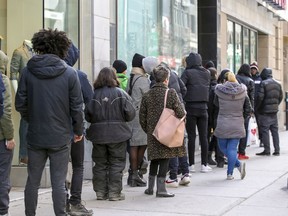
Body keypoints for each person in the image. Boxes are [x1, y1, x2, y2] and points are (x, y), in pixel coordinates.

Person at [15, 29, 84, 216]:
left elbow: (20, 104)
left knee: (33, 181)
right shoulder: (70, 74)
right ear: (62, 49)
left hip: (36, 135)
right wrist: (78, 130)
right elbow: (77, 107)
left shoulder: (28, 71)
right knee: (58, 183)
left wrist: (33, 119)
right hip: (61, 136)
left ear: (38, 47)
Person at [85, 67, 135, 201]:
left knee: (100, 164)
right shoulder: (121, 93)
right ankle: (114, 193)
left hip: (98, 135)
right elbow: (130, 114)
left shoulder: (93, 95)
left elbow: (88, 116)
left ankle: (100, 192)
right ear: (114, 77)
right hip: (118, 134)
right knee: (117, 163)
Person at [139, 65, 186, 197]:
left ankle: (150, 188)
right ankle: (161, 189)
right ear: (166, 79)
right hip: (167, 132)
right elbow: (180, 112)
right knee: (165, 159)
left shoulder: (147, 95)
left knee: (154, 159)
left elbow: (141, 116)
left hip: (152, 132)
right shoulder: (170, 93)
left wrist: (148, 130)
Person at [64, 43, 93, 215]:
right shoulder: (78, 75)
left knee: (58, 167)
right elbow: (89, 100)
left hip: (55, 127)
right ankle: (75, 202)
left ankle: (61, 201)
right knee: (78, 165)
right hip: (74, 128)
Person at [214, 71, 252, 180]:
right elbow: (248, 109)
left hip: (223, 122)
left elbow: (215, 104)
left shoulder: (219, 91)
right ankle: (231, 172)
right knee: (232, 149)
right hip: (237, 123)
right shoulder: (243, 91)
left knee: (222, 148)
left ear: (224, 80)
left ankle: (238, 165)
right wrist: (241, 118)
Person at [181, 52, 212, 173]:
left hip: (190, 107)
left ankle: (191, 164)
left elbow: (181, 86)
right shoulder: (207, 73)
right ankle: (204, 164)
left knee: (192, 136)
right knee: (204, 136)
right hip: (204, 107)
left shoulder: (187, 72)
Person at [126, 53, 150, 187]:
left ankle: (133, 174)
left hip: (131, 115)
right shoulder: (142, 79)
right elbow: (147, 97)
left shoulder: (131, 77)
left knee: (134, 145)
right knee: (140, 145)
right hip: (140, 116)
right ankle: (135, 174)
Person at [10, 40, 35, 165]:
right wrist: (18, 93)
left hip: (37, 93)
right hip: (25, 93)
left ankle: (36, 155)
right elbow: (13, 74)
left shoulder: (37, 52)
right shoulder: (19, 52)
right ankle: (24, 156)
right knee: (25, 123)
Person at [0, 50, 16, 216]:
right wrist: (10, 136)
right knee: (2, 175)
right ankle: (2, 210)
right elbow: (5, 111)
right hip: (0, 137)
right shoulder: (2, 81)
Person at [255, 68, 283, 156]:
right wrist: (276, 105)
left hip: (264, 111)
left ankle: (267, 150)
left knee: (265, 131)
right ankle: (277, 150)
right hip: (274, 111)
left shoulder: (263, 83)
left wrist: (257, 108)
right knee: (275, 131)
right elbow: (280, 97)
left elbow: (260, 97)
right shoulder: (278, 84)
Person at [236, 63, 255, 160]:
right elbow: (252, 98)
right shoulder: (250, 81)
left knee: (234, 130)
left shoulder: (236, 78)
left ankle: (232, 150)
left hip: (235, 108)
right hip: (246, 109)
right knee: (244, 131)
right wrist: (252, 110)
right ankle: (241, 152)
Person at [250, 61, 263, 147]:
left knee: (259, 123)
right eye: (252, 69)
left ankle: (261, 139)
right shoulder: (249, 78)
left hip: (258, 105)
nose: (253, 70)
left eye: (254, 69)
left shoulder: (260, 79)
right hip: (250, 104)